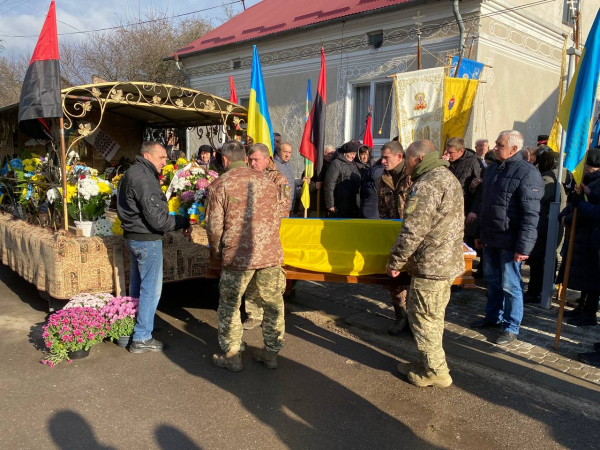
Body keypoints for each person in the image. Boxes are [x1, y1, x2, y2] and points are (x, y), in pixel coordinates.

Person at [386, 140, 465, 388]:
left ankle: (436, 371)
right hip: (444, 261)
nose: (406, 165)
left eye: (407, 159)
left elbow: (413, 229)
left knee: (423, 318)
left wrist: (396, 260)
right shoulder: (447, 177)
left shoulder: (428, 184)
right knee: (432, 316)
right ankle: (426, 363)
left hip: (431, 265)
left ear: (418, 159)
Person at [206, 140, 286, 372]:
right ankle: (271, 354)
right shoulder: (268, 181)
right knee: (273, 304)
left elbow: (213, 227)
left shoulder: (220, 184)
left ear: (224, 159)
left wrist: (218, 251)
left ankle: (232, 355)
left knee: (230, 305)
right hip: (270, 255)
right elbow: (278, 216)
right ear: (245, 157)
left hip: (237, 257)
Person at [117, 141, 191, 353]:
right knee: (150, 288)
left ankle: (135, 328)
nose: (165, 162)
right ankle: (141, 337)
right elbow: (158, 221)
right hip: (146, 239)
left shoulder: (134, 172)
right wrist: (182, 221)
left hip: (134, 236)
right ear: (148, 156)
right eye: (162, 158)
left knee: (138, 286)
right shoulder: (143, 178)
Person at [472, 130, 544, 345]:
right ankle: (493, 317)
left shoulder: (527, 173)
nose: (494, 147)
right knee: (492, 281)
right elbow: (484, 204)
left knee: (511, 285)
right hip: (491, 237)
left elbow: (531, 215)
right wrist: (479, 234)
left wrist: (524, 247)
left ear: (514, 149)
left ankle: (511, 326)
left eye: (499, 144)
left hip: (510, 241)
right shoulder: (493, 168)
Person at [244, 143, 291, 330]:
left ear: (267, 159)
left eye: (256, 160)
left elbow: (283, 208)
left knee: (270, 281)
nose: (252, 163)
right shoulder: (247, 177)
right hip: (249, 236)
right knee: (250, 278)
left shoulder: (279, 179)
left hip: (269, 237)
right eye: (250, 159)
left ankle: (270, 316)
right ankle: (253, 314)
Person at [557, 147, 600, 327]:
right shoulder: (589, 182)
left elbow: (596, 211)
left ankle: (589, 312)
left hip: (591, 236)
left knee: (592, 279)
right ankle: (583, 308)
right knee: (586, 277)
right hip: (587, 237)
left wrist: (579, 206)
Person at [377, 140, 412, 335]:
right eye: (382, 157)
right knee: (396, 281)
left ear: (399, 157)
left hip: (413, 236)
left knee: (414, 280)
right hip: (394, 236)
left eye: (386, 157)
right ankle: (401, 317)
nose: (382, 161)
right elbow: (382, 208)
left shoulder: (413, 176)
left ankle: (416, 321)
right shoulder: (384, 178)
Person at [524, 151, 565, 303]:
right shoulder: (558, 176)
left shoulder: (548, 179)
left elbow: (537, 199)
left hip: (545, 225)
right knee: (546, 258)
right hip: (551, 224)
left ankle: (536, 291)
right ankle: (543, 288)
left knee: (538, 260)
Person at [443, 137, 482, 247]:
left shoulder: (474, 162)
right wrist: (442, 164)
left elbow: (480, 189)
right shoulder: (446, 162)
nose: (449, 155)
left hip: (466, 208)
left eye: (451, 153)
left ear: (461, 151)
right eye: (447, 152)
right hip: (448, 208)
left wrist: (474, 210)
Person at [324, 141, 362, 217]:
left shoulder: (353, 164)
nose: (353, 156)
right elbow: (329, 184)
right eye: (351, 154)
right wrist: (330, 205)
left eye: (354, 154)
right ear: (344, 153)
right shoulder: (336, 163)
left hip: (353, 203)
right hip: (340, 204)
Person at [274, 142, 302, 215]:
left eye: (289, 152)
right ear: (278, 151)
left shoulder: (287, 164)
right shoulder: (275, 165)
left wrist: (302, 181)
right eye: (285, 152)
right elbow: (284, 186)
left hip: (290, 206)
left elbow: (290, 181)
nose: (287, 155)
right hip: (281, 209)